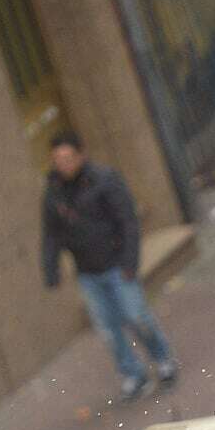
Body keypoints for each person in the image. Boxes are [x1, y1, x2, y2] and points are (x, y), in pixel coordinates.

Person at [41, 132, 177, 402]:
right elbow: (51, 233)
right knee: (108, 329)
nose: (63, 164)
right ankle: (133, 374)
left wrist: (129, 261)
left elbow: (127, 220)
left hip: (116, 265)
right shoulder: (53, 193)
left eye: (68, 158)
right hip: (87, 273)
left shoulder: (104, 180)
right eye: (58, 160)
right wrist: (50, 268)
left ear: (81, 155)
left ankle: (163, 359)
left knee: (136, 316)